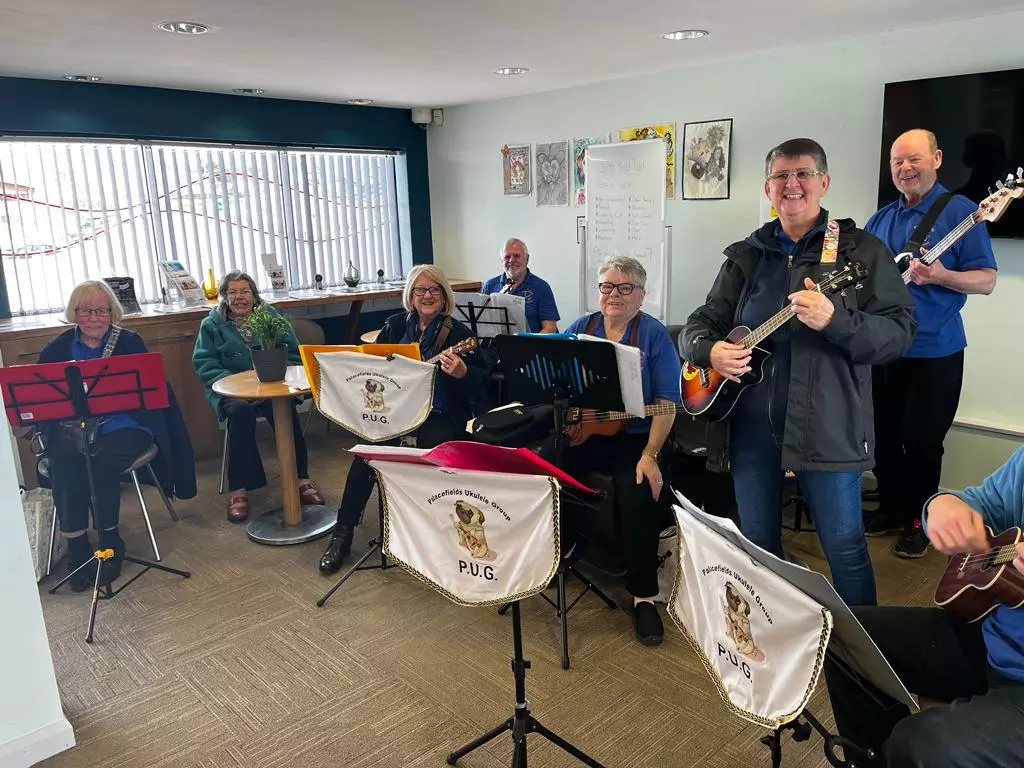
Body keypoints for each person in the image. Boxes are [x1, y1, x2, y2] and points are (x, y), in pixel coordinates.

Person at [681, 138, 916, 608]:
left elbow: (898, 334)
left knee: (844, 547)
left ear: (823, 183)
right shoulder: (747, 255)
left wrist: (836, 320)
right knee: (759, 544)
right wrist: (711, 352)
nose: (793, 184)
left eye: (804, 174)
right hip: (750, 429)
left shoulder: (860, 251)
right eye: (781, 176)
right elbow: (698, 325)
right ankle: (777, 633)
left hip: (828, 429)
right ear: (768, 188)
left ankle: (864, 659)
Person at [824, 446, 1024, 767]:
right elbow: (981, 501)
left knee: (920, 743)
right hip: (992, 634)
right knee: (844, 635)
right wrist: (944, 505)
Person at [864, 129, 998, 558]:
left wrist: (940, 275)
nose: (905, 168)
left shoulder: (963, 213)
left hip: (935, 351)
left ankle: (922, 521)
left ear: (937, 159)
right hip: (884, 348)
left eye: (914, 159)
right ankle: (890, 507)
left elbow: (987, 280)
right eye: (897, 162)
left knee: (922, 440)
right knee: (882, 433)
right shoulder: (880, 218)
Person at [319, 264, 490, 573]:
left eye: (434, 290)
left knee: (432, 447)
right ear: (410, 296)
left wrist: (463, 373)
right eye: (420, 290)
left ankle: (431, 537)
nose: (427, 295)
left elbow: (482, 384)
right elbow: (374, 370)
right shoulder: (395, 326)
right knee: (366, 453)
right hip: (396, 411)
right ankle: (342, 533)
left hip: (438, 411)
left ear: (444, 295)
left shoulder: (460, 334)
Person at [38, 280, 196, 590]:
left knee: (101, 461)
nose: (94, 317)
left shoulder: (130, 342)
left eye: (101, 310)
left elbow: (149, 396)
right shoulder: (57, 349)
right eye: (86, 310)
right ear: (75, 313)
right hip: (74, 429)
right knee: (64, 464)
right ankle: (78, 547)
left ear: (112, 312)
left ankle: (110, 543)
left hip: (126, 425)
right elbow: (43, 400)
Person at [556, 255, 680, 646]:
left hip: (635, 437)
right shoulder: (582, 327)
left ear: (641, 295)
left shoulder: (653, 335)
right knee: (542, 466)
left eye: (625, 288)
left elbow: (666, 403)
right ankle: (556, 556)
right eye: (607, 286)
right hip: (585, 433)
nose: (614, 295)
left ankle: (643, 595)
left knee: (639, 488)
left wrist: (651, 454)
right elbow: (559, 380)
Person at [192, 270, 324, 522]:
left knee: (284, 410)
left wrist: (269, 382)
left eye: (245, 291)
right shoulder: (211, 324)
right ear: (224, 297)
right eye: (232, 292)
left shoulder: (271, 318)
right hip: (232, 390)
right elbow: (204, 362)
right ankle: (239, 489)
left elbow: (294, 355)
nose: (239, 297)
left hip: (272, 384)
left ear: (254, 295)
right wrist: (240, 385)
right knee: (240, 414)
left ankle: (301, 479)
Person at [481, 238, 560, 333]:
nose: (511, 260)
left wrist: (531, 344)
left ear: (527, 259)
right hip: (496, 345)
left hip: (531, 345)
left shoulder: (541, 287)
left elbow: (550, 328)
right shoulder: (490, 285)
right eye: (507, 257)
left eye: (517, 256)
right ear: (501, 261)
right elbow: (482, 324)